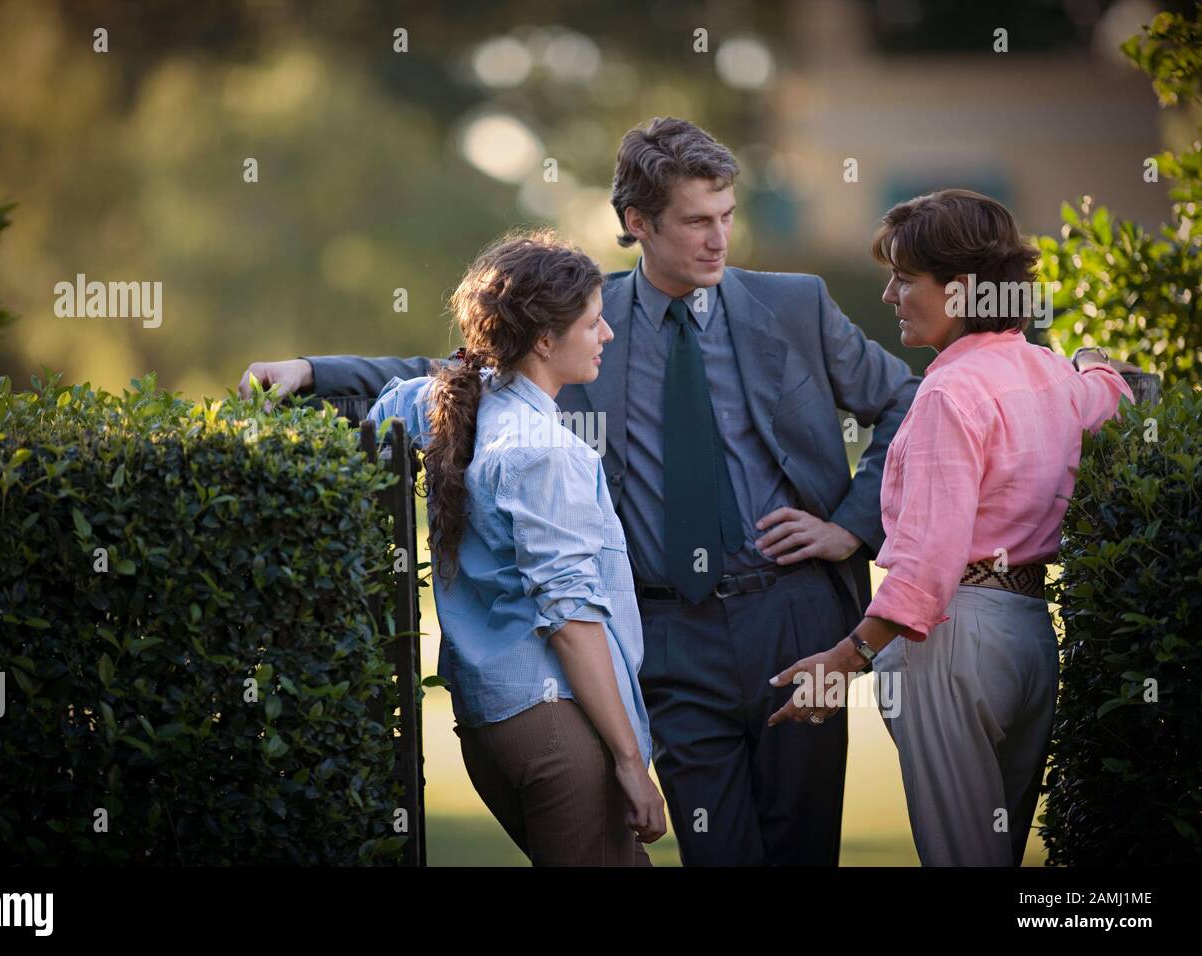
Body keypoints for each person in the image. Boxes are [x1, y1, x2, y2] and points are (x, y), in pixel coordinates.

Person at [240, 118, 919, 866]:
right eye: (696, 220)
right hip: (668, 635)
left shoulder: (796, 305)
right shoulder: (584, 328)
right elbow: (459, 373)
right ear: (638, 223)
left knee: (804, 847)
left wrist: (852, 526)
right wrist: (314, 371)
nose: (719, 238)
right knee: (716, 848)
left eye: (726, 215)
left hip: (795, 618)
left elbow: (905, 401)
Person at [768, 188, 1135, 866]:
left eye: (905, 277)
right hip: (1029, 638)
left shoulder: (947, 393)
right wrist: (1093, 361)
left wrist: (842, 662)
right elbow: (1113, 392)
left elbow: (926, 570)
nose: (889, 295)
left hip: (952, 641)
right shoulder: (1052, 374)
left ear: (961, 289)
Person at [366, 229, 665, 866]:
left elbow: (391, 405)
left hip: (489, 722)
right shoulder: (544, 450)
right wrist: (631, 763)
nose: (606, 336)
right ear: (544, 339)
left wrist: (309, 373)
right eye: (592, 324)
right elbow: (572, 623)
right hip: (554, 722)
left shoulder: (458, 407)